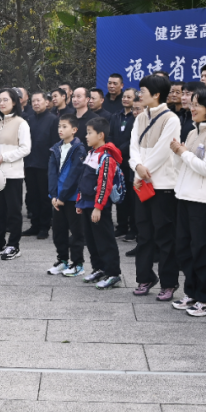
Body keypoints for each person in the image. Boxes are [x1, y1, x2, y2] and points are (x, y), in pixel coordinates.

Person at [171, 88, 206, 316]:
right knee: (185, 249)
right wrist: (178, 153)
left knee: (203, 250)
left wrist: (183, 152)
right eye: (192, 104)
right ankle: (192, 293)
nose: (192, 108)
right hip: (184, 196)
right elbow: (183, 164)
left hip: (204, 201)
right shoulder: (193, 132)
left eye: (197, 104)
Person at [129, 74, 182, 299]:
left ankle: (169, 283)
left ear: (157, 94)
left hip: (163, 186)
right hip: (142, 184)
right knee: (144, 234)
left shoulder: (171, 119)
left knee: (164, 235)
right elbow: (133, 146)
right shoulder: (141, 117)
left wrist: (143, 170)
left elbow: (163, 150)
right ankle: (145, 277)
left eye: (143, 91)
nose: (139, 95)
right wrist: (137, 167)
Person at [76, 117, 125, 290]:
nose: (86, 136)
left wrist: (98, 207)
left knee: (105, 239)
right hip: (86, 204)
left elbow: (105, 184)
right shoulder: (91, 153)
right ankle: (99, 268)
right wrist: (79, 201)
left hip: (98, 207)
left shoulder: (106, 158)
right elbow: (83, 179)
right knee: (91, 240)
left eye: (89, 133)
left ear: (101, 135)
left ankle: (113, 273)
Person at [0, 89, 32, 259]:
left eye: (5, 100)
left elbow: (25, 148)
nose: (2, 103)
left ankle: (13, 245)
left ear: (14, 102)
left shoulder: (21, 123)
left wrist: (4, 157)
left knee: (13, 211)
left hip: (13, 174)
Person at [47, 114, 87, 277]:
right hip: (58, 198)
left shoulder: (79, 149)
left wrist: (62, 197)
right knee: (59, 231)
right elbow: (51, 173)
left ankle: (77, 264)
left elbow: (74, 175)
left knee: (76, 232)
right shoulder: (56, 148)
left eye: (64, 126)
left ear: (74, 129)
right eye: (59, 126)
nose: (60, 129)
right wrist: (53, 195)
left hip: (71, 198)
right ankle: (62, 260)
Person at [24, 91, 59, 239]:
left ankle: (44, 227)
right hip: (29, 163)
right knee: (32, 196)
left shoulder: (53, 119)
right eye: (33, 101)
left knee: (44, 197)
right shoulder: (28, 119)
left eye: (38, 100)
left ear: (46, 102)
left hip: (45, 164)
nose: (36, 103)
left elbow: (55, 143)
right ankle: (34, 225)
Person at [110, 88, 138, 240]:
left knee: (131, 198)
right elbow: (110, 135)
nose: (125, 99)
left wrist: (119, 151)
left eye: (129, 97)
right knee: (119, 193)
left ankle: (133, 228)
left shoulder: (137, 117)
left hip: (130, 163)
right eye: (124, 97)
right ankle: (121, 226)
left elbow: (133, 140)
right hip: (116, 162)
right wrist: (113, 150)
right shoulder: (116, 116)